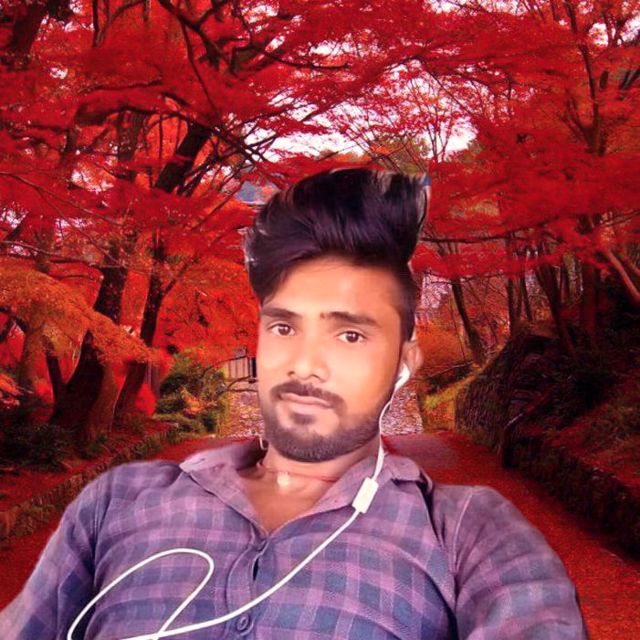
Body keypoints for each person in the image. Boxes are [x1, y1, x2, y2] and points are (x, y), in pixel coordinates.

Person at [0, 168, 588, 639]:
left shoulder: (468, 534)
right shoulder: (116, 503)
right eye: (284, 328)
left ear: (404, 364)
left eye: (350, 334)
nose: (306, 363)